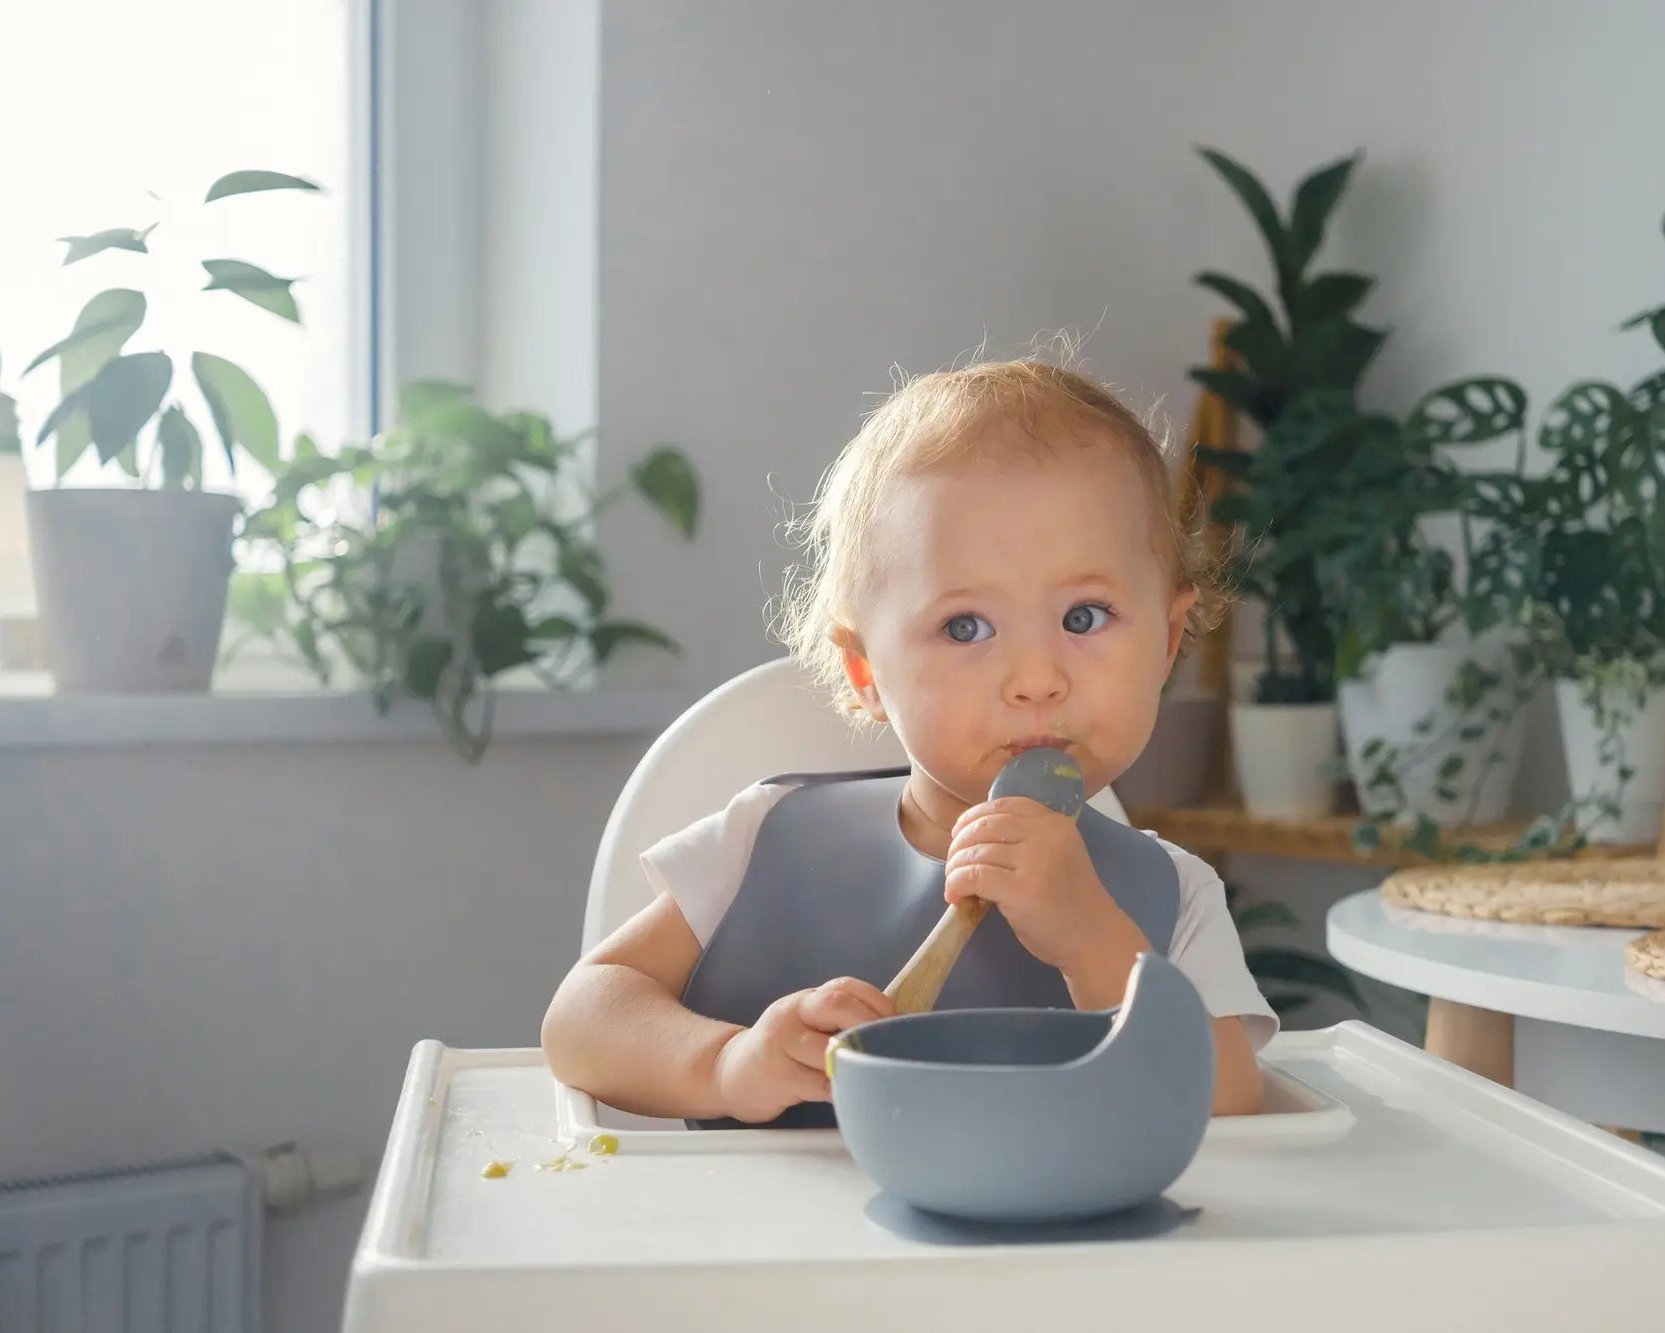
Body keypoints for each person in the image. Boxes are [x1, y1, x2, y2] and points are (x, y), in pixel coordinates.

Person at [543, 354, 1276, 1127]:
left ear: (1167, 641)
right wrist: (728, 1063)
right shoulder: (767, 839)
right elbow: (582, 1020)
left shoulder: (1172, 893)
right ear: (865, 671)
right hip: (769, 1246)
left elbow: (1228, 1107)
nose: (1036, 677)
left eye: (1085, 617)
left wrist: (1094, 939)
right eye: (966, 627)